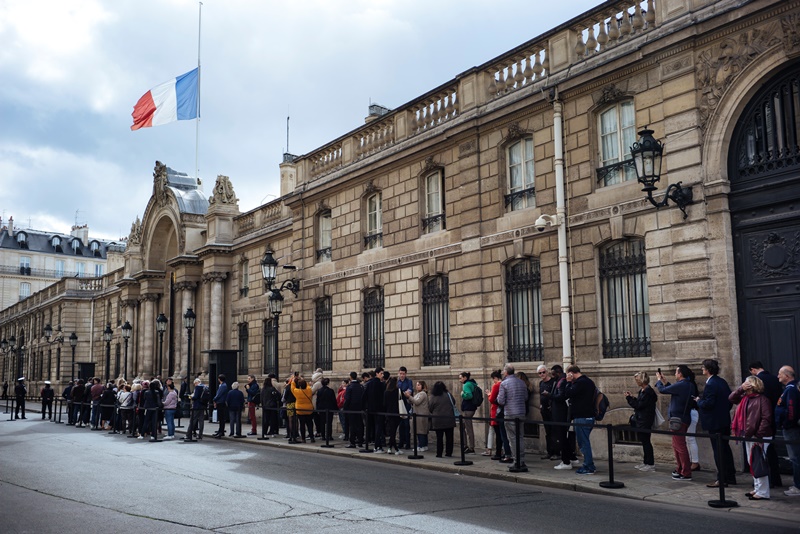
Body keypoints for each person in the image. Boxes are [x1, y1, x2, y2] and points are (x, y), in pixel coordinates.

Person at [729, 375, 774, 500]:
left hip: (759, 436)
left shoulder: (762, 400)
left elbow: (766, 418)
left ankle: (763, 492)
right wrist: (740, 389)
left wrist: (758, 434)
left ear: (753, 384)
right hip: (748, 434)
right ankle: (757, 488)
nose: (745, 384)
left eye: (747, 382)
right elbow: (731, 398)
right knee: (752, 461)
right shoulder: (744, 398)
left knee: (759, 462)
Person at [694, 359, 737, 487]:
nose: (702, 369)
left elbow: (708, 403)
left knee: (719, 451)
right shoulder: (721, 381)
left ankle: (722, 479)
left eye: (703, 367)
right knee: (725, 449)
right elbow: (729, 400)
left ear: (708, 369)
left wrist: (698, 401)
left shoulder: (711, 384)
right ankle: (730, 476)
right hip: (723, 420)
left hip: (715, 422)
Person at [656, 365, 695, 481]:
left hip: (678, 419)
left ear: (681, 374)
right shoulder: (688, 384)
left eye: (676, 372)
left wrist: (659, 381)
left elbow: (662, 390)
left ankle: (686, 472)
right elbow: (672, 389)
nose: (675, 374)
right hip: (682, 417)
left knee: (680, 446)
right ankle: (680, 468)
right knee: (677, 445)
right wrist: (665, 381)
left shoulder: (682, 385)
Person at [748, 361, 783, 488]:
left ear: (752, 370)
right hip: (773, 418)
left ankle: (763, 481)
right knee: (770, 450)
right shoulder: (775, 379)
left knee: (760, 453)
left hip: (761, 421)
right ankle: (775, 479)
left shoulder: (756, 380)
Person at [565, 365, 597, 475]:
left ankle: (589, 466)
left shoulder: (580, 383)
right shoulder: (588, 381)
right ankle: (588, 465)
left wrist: (569, 382)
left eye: (568, 374)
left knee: (583, 442)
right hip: (586, 416)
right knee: (584, 441)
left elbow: (568, 393)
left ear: (571, 373)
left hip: (583, 417)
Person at [497, 364, 529, 472]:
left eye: (502, 372)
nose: (501, 373)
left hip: (510, 413)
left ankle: (517, 461)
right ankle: (521, 460)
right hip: (521, 412)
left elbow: (500, 401)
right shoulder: (521, 382)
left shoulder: (504, 383)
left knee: (513, 438)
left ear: (506, 372)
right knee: (520, 437)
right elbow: (525, 397)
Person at [625, 371, 657, 472]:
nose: (636, 382)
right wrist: (633, 398)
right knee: (644, 441)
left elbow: (639, 405)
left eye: (637, 380)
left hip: (645, 420)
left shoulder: (648, 392)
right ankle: (646, 462)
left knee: (646, 441)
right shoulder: (643, 391)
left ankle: (650, 463)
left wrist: (629, 399)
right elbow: (639, 402)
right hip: (641, 419)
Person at [775, 366, 800, 497]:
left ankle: (798, 486)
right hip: (792, 427)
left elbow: (791, 410)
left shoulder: (791, 390)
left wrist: (787, 424)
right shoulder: (792, 388)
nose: (778, 376)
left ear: (787, 376)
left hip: (792, 429)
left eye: (780, 374)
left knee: (795, 457)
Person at [551, 365, 580, 470]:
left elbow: (562, 396)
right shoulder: (560, 381)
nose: (552, 376)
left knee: (562, 437)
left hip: (561, 414)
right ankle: (571, 457)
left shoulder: (562, 381)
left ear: (558, 372)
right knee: (564, 437)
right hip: (560, 413)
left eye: (553, 373)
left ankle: (566, 461)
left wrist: (549, 395)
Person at [428, 381, 456, 458]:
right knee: (449, 437)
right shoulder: (448, 395)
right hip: (449, 419)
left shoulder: (433, 397)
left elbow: (430, 408)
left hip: (438, 420)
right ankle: (449, 452)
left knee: (439, 438)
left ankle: (439, 453)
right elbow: (453, 402)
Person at [537, 365, 558, 460]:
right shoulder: (541, 383)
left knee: (554, 431)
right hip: (544, 410)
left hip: (552, 410)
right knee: (547, 431)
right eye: (540, 373)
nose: (542, 374)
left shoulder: (553, 382)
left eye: (543, 372)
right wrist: (541, 405)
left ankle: (556, 452)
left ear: (547, 372)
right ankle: (549, 451)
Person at [363, 369, 386, 452]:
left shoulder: (369, 384)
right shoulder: (381, 384)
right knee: (378, 428)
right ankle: (377, 446)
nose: (382, 375)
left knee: (372, 427)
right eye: (381, 373)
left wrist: (365, 407)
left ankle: (372, 444)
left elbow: (364, 396)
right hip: (379, 409)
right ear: (377, 374)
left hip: (370, 409)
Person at [458, 371, 479, 454]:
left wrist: (462, 394)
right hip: (471, 408)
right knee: (463, 427)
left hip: (468, 409)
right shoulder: (472, 383)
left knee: (468, 428)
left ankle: (471, 447)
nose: (459, 380)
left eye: (460, 378)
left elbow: (469, 395)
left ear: (465, 378)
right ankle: (466, 445)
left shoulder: (466, 385)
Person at [406, 380, 430, 451]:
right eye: (416, 385)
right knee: (419, 431)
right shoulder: (418, 394)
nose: (417, 386)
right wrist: (408, 398)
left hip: (421, 415)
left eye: (419, 385)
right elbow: (412, 401)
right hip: (417, 414)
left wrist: (409, 396)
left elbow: (417, 402)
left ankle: (422, 445)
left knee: (421, 431)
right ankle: (422, 445)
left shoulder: (423, 394)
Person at [291, 375, 315, 443]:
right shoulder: (309, 390)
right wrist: (303, 380)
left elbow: (292, 388)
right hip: (309, 409)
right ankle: (312, 437)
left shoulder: (297, 392)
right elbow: (307, 386)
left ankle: (303, 438)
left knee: (302, 425)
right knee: (310, 424)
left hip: (300, 410)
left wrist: (293, 381)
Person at [344, 371, 365, 448]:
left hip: (351, 409)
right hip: (359, 409)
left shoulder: (350, 387)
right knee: (359, 425)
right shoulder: (361, 386)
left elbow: (347, 399)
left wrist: (345, 408)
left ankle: (352, 442)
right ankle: (360, 441)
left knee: (352, 426)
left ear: (350, 377)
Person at [383, 376, 402, 454]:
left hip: (389, 413)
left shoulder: (386, 392)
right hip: (397, 413)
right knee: (393, 432)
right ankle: (395, 449)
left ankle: (391, 448)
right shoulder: (398, 391)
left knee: (392, 431)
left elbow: (384, 404)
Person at [397, 367, 413, 450]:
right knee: (401, 425)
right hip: (399, 404)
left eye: (403, 374)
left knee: (406, 424)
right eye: (401, 373)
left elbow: (410, 390)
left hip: (406, 404)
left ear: (406, 374)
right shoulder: (397, 382)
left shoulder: (409, 381)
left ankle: (407, 443)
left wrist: (406, 392)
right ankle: (401, 442)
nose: (402, 375)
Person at [310, 368, 324, 437]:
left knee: (316, 419)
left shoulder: (317, 384)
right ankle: (320, 431)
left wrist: (311, 386)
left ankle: (318, 431)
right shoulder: (322, 382)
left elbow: (311, 392)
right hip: (320, 403)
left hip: (315, 403)